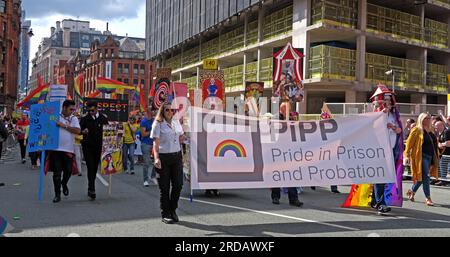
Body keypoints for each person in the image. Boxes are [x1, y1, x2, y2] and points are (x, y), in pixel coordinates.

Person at [151, 103, 184, 224]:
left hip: (176, 157)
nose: (170, 112)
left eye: (172, 110)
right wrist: (156, 158)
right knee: (164, 188)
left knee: (178, 184)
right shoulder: (158, 123)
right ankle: (165, 213)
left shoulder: (176, 122)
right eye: (167, 110)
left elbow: (181, 136)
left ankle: (172, 209)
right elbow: (156, 143)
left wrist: (185, 136)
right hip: (163, 158)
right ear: (162, 111)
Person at [404, 113, 440, 206]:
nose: (427, 120)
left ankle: (411, 191)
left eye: (428, 118)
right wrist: (406, 155)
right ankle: (428, 198)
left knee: (421, 179)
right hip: (420, 156)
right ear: (421, 119)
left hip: (431, 157)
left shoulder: (431, 130)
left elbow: (434, 144)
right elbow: (409, 144)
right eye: (425, 118)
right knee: (426, 177)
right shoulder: (416, 129)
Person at [49, 100, 81, 203]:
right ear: (64, 108)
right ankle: (57, 194)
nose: (72, 111)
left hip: (68, 150)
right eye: (70, 109)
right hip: (56, 149)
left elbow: (77, 131)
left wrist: (64, 126)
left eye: (73, 109)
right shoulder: (55, 116)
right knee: (57, 173)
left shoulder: (74, 118)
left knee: (68, 171)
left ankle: (64, 183)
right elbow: (47, 127)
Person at [80, 101, 109, 200]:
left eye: (92, 110)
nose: (91, 112)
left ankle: (90, 187)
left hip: (99, 147)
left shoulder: (103, 118)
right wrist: (83, 131)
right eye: (89, 111)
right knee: (90, 166)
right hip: (87, 146)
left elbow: (108, 131)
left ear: (97, 108)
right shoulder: (85, 119)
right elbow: (79, 130)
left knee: (95, 167)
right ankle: (92, 188)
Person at [140, 108, 156, 187]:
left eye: (154, 110)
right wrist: (152, 131)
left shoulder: (155, 120)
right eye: (152, 110)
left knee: (157, 161)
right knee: (147, 162)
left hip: (154, 143)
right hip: (145, 143)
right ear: (148, 111)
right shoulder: (144, 121)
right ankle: (145, 180)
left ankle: (153, 176)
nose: (153, 111)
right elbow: (143, 134)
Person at [437, 121, 450, 186]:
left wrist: (442, 144)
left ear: (442, 125)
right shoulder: (439, 133)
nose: (436, 128)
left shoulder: (447, 132)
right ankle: (443, 180)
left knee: (445, 167)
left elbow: (448, 143)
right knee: (442, 167)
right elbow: (438, 141)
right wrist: (439, 144)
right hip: (444, 154)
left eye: (437, 126)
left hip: (448, 153)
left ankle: (445, 181)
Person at [74, 112, 83, 177]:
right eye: (77, 117)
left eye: (79, 117)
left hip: (81, 142)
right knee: (78, 157)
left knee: (80, 157)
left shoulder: (82, 124)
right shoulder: (72, 124)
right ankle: (79, 171)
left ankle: (77, 169)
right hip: (74, 142)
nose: (78, 118)